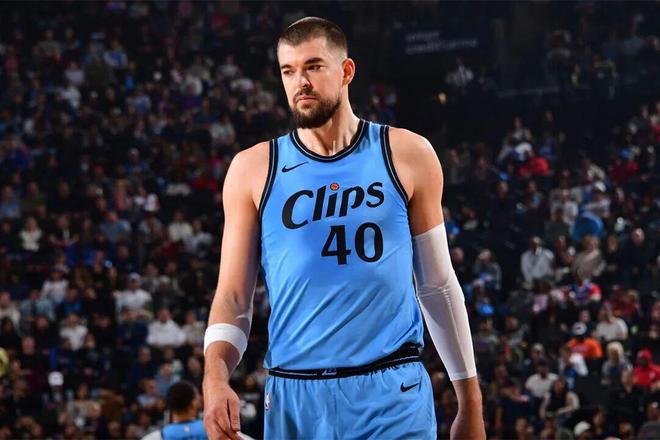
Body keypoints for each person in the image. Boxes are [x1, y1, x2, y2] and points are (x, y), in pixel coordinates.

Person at [202, 17, 484, 440]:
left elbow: (437, 285)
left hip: (392, 388)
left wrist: (470, 402)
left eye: (313, 66)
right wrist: (214, 376)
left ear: (346, 71)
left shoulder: (407, 153)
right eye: (288, 71)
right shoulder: (252, 169)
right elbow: (233, 296)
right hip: (295, 395)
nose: (301, 82)